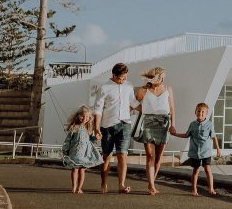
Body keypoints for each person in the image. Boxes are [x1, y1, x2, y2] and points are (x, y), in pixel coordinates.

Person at [92, 62, 137, 194]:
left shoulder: (129, 86)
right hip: (107, 126)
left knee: (122, 155)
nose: (123, 80)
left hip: (125, 124)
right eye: (120, 78)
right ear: (114, 75)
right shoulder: (104, 87)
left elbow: (134, 103)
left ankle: (121, 185)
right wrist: (96, 128)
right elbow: (98, 109)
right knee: (106, 157)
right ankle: (103, 183)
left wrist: (150, 108)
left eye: (125, 78)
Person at [134, 66, 175, 195]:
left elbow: (172, 108)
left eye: (164, 76)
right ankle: (151, 185)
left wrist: (173, 125)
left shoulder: (168, 89)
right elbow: (133, 104)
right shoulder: (143, 90)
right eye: (161, 76)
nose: (163, 79)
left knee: (158, 158)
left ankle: (152, 182)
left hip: (164, 123)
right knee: (150, 156)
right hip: (148, 123)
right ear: (155, 77)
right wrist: (147, 111)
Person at [170, 102, 221, 196]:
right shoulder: (192, 124)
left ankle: (211, 189)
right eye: (198, 111)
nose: (200, 113)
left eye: (203, 112)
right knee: (195, 170)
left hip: (206, 152)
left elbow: (214, 137)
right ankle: (194, 190)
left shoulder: (209, 125)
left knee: (207, 169)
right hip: (195, 152)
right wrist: (175, 134)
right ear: (195, 112)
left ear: (206, 114)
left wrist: (218, 149)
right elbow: (186, 135)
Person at [62, 105, 103, 193]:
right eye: (83, 116)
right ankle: (74, 187)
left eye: (88, 117)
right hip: (75, 151)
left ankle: (79, 188)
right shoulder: (74, 127)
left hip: (85, 152)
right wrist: (65, 149)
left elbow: (91, 139)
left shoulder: (89, 128)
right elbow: (68, 140)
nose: (85, 118)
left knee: (82, 169)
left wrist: (96, 137)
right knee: (75, 169)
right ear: (78, 116)